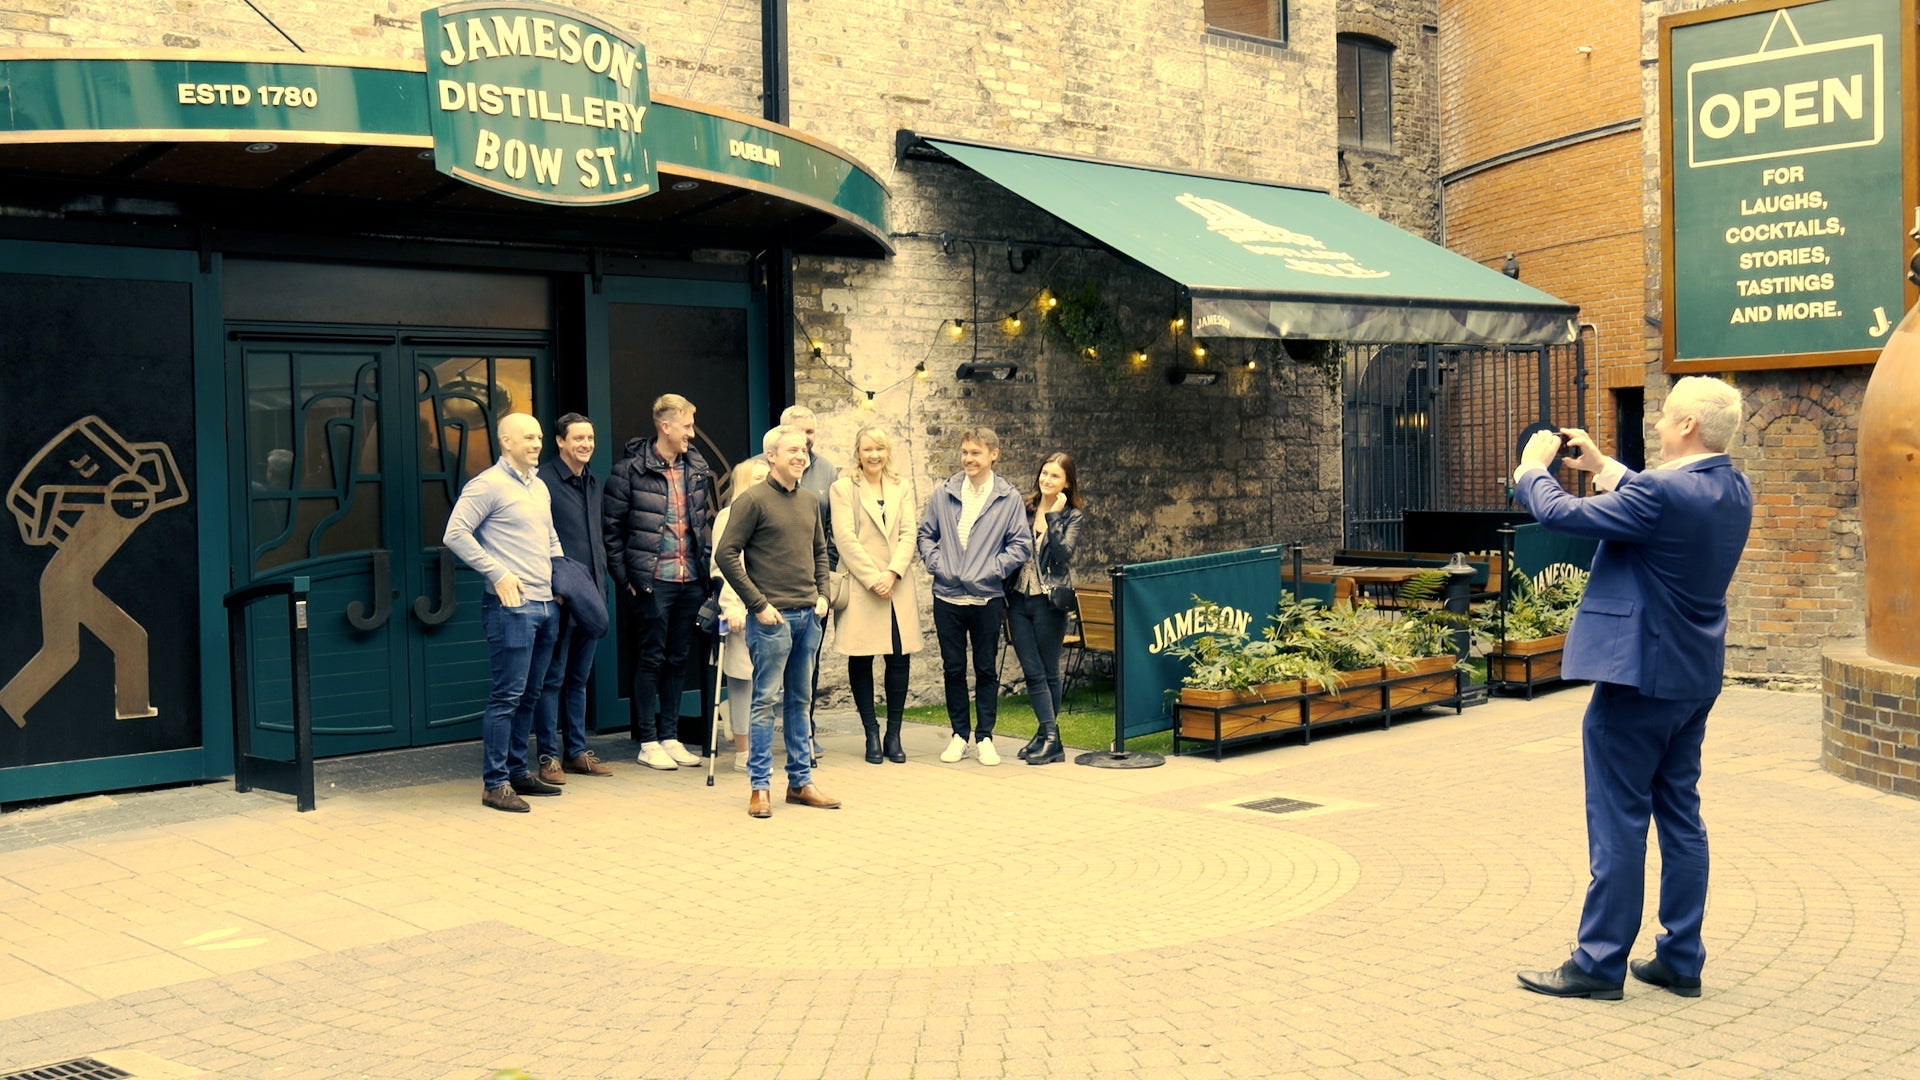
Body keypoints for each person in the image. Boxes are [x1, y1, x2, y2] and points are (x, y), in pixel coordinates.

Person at [1512, 376, 1753, 1000]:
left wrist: (1531, 468)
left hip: (1638, 677)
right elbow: (1658, 502)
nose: (1659, 426)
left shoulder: (1661, 492)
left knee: (1618, 819)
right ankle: (1681, 957)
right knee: (1680, 815)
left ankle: (1597, 963)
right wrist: (1603, 465)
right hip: (1693, 676)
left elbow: (1560, 513)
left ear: (1689, 428)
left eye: (1667, 418)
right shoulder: (1732, 487)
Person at [715, 425, 840, 817]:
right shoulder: (751, 501)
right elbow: (726, 554)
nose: (801, 456)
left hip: (809, 617)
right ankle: (759, 788)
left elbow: (821, 552)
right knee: (765, 701)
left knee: (800, 702)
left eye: (803, 450)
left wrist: (823, 595)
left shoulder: (808, 501)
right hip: (771, 620)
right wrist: (757, 605)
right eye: (792, 451)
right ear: (771, 456)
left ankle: (800, 782)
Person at [443, 412, 566, 813]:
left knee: (530, 695)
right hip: (510, 606)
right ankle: (494, 784)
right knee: (507, 696)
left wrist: (562, 581)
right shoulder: (488, 485)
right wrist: (497, 573)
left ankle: (517, 772)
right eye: (528, 437)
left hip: (546, 604)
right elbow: (454, 533)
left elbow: (549, 535)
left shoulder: (540, 487)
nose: (537, 443)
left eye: (540, 436)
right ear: (505, 441)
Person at [604, 393, 715, 771]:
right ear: (665, 426)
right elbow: (612, 531)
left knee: (678, 657)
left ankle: (671, 736)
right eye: (687, 426)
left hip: (690, 579)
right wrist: (627, 579)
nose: (692, 434)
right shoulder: (629, 470)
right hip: (653, 581)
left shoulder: (696, 467)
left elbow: (703, 522)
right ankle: (648, 740)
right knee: (650, 658)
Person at [916, 426, 1032, 766]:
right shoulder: (945, 492)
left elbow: (1020, 545)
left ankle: (985, 737)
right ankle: (958, 735)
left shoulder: (1007, 498)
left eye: (976, 453)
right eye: (965, 452)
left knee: (985, 669)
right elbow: (926, 535)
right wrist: (940, 564)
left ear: (993, 454)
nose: (968, 459)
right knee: (953, 668)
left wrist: (991, 569)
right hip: (948, 597)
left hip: (986, 599)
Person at [829, 425, 922, 764]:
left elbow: (910, 532)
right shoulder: (842, 489)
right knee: (862, 657)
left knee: (899, 658)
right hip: (863, 585)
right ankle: (870, 731)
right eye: (868, 449)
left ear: (887, 452)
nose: (874, 455)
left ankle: (893, 733)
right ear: (858, 452)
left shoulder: (902, 486)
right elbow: (845, 539)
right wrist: (873, 579)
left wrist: (893, 572)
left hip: (897, 584)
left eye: (879, 449)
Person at [531, 412, 614, 783]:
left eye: (590, 438)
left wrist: (603, 584)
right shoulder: (542, 482)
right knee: (552, 678)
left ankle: (577, 751)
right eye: (578, 438)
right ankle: (549, 756)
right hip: (560, 598)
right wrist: (553, 587)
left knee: (579, 679)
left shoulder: (593, 482)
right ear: (560, 441)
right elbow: (534, 541)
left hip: (592, 593)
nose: (586, 445)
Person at [1005, 452, 1085, 766]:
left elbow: (1063, 554)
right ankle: (1049, 736)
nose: (1047, 480)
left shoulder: (1073, 515)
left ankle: (1049, 739)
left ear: (1067, 483)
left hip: (1049, 602)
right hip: (1018, 599)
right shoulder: (1023, 506)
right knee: (1032, 670)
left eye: (1055, 476)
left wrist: (1053, 516)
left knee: (1049, 671)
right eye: (1044, 473)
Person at [781, 404, 836, 762]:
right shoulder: (761, 465)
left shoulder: (827, 469)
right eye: (798, 435)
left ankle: (806, 730)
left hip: (813, 583)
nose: (805, 442)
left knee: (807, 663)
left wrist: (825, 576)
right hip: (774, 587)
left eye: (810, 434)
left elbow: (831, 526)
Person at [711, 457, 773, 771]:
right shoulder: (729, 516)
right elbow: (722, 565)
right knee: (743, 682)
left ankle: (762, 744)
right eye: (758, 476)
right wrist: (731, 607)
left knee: (772, 684)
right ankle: (743, 751)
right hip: (742, 609)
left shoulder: (775, 511)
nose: (766, 480)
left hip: (773, 607)